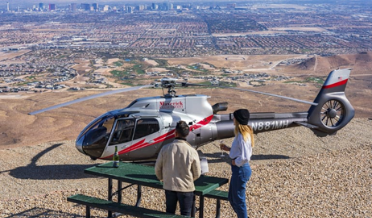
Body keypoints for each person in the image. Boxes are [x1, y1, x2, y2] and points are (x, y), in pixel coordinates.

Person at [155, 120, 201, 216]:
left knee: (169, 213)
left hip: (169, 185)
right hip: (186, 188)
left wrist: (162, 178)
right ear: (187, 134)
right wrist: (189, 180)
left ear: (175, 132)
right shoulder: (192, 151)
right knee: (185, 213)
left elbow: (157, 169)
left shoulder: (165, 148)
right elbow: (197, 173)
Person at [220, 109, 254, 218]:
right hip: (239, 170)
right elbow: (240, 151)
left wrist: (235, 162)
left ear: (238, 120)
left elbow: (245, 156)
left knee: (239, 201)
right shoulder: (241, 134)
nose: (233, 119)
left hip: (241, 169)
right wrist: (228, 149)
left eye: (234, 117)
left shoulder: (242, 136)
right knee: (232, 198)